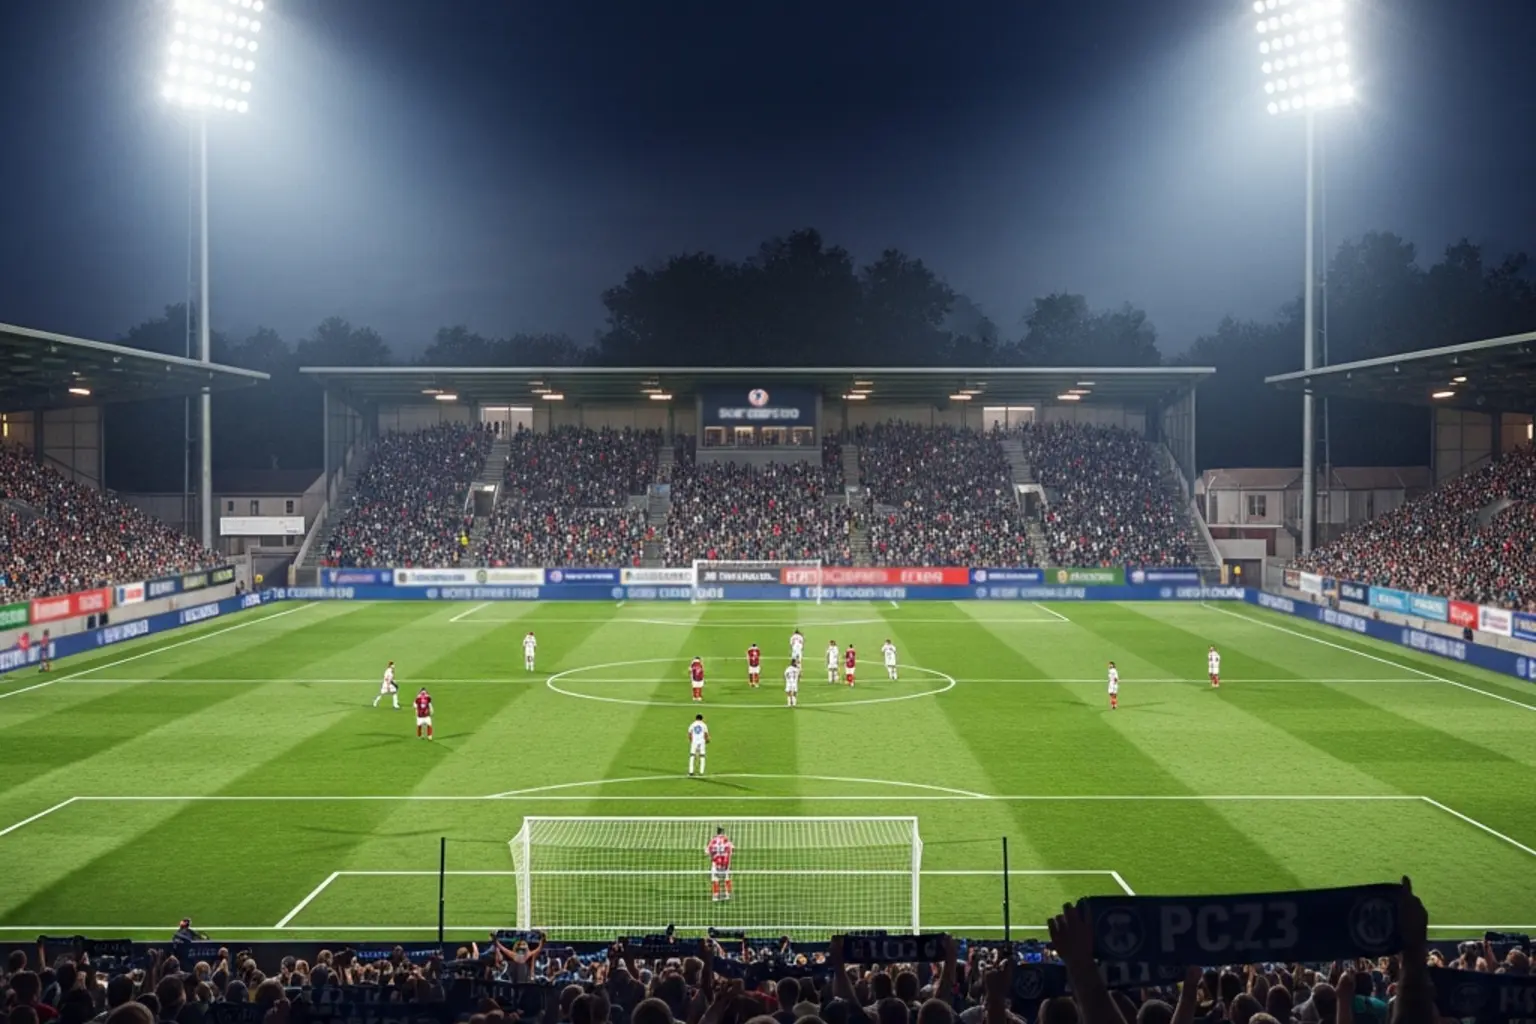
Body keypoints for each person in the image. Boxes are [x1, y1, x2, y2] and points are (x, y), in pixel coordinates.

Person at [707, 826, 733, 902]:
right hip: (725, 862)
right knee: (727, 878)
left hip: (716, 862)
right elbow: (731, 848)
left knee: (715, 879)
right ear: (722, 832)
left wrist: (713, 855)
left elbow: (707, 851)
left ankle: (715, 896)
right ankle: (728, 895)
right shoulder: (726, 840)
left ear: (717, 832)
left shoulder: (713, 840)